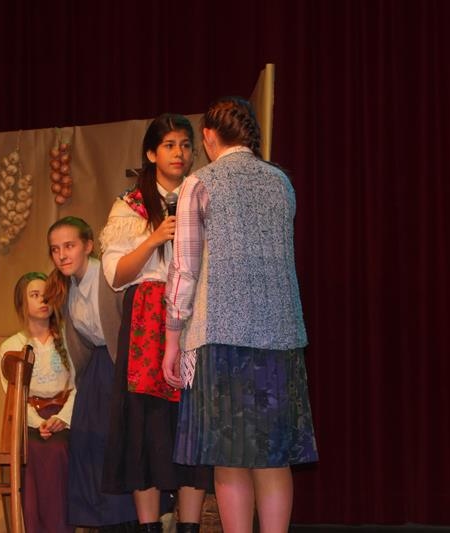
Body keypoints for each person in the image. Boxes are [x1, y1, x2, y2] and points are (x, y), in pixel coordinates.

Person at [163, 97, 318, 533]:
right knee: (273, 458)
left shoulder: (199, 183)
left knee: (230, 460)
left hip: (220, 337)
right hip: (280, 335)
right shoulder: (280, 183)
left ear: (209, 136)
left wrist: (172, 338)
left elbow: (184, 269)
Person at [100, 113, 212, 533]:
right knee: (143, 427)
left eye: (185, 144)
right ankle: (148, 527)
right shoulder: (129, 206)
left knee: (189, 423)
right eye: (168, 145)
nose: (178, 153)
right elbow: (115, 276)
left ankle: (189, 526)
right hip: (145, 320)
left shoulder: (203, 196)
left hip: (193, 315)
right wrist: (153, 238)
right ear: (151, 153)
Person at [44, 216, 139, 532]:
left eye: (69, 246)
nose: (62, 255)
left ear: (87, 246)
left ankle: (129, 520)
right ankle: (103, 521)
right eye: (55, 249)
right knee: (87, 443)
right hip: (96, 371)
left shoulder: (108, 277)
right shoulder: (68, 288)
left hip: (121, 366)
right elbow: (78, 350)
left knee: (116, 444)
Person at [0, 271, 75, 533]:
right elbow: (13, 395)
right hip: (29, 421)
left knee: (59, 450)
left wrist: (63, 418)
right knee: (30, 451)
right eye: (34, 295)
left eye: (47, 295)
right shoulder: (12, 345)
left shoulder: (68, 338)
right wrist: (37, 422)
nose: (43, 300)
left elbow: (80, 385)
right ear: (22, 302)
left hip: (66, 418)